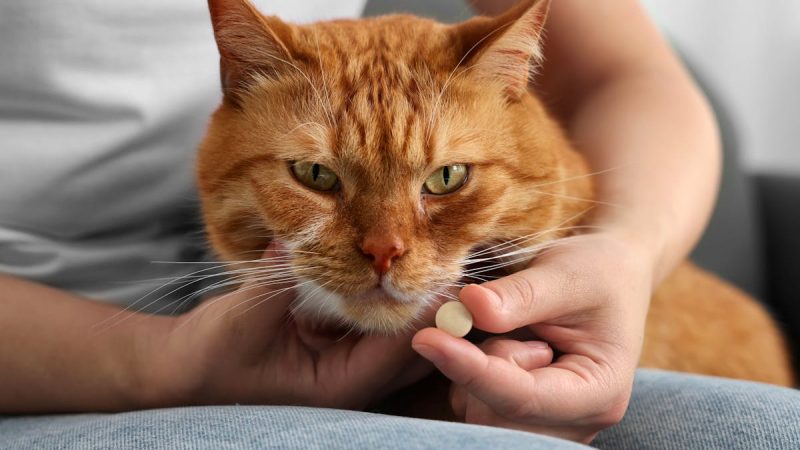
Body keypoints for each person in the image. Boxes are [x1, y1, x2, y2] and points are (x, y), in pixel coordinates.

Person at [1, 1, 798, 449]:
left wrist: (625, 251)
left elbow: (627, 70)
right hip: (57, 365)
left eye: (443, 180)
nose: (384, 246)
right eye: (318, 178)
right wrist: (162, 363)